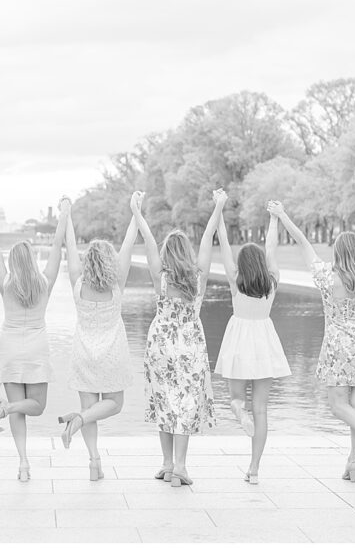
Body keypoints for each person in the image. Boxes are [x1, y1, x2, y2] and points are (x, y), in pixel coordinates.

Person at [269, 187, 355, 481]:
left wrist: (281, 215)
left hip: (338, 346)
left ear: (337, 252)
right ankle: (352, 464)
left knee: (337, 405)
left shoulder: (327, 277)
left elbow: (302, 242)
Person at [133, 188, 225, 487]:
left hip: (161, 343)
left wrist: (137, 211)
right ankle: (181, 467)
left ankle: (167, 463)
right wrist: (218, 206)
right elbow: (209, 236)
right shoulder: (198, 276)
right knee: (184, 402)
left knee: (163, 400)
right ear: (186, 253)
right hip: (190, 344)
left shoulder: (160, 276)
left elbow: (147, 238)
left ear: (166, 253)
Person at [0, 199, 68, 482]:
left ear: (12, 262)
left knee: (17, 409)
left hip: (9, 348)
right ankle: (8, 409)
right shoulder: (44, 282)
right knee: (37, 406)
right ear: (32, 260)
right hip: (35, 349)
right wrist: (64, 214)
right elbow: (57, 248)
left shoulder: (6, 283)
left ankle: (23, 462)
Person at [57, 195, 135, 481]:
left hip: (83, 351)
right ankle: (79, 421)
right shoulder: (117, 284)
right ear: (109, 260)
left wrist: (66, 214)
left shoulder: (78, 282)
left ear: (88, 261)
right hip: (113, 351)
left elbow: (70, 244)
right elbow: (128, 244)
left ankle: (93, 462)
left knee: (88, 407)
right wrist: (135, 213)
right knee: (113, 404)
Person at [213, 206, 291, 485]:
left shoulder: (236, 279)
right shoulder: (272, 281)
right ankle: (255, 469)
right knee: (261, 409)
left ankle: (239, 414)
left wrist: (219, 210)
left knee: (236, 400)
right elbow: (271, 246)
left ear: (242, 264)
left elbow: (222, 241)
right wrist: (273, 219)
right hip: (263, 343)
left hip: (238, 342)